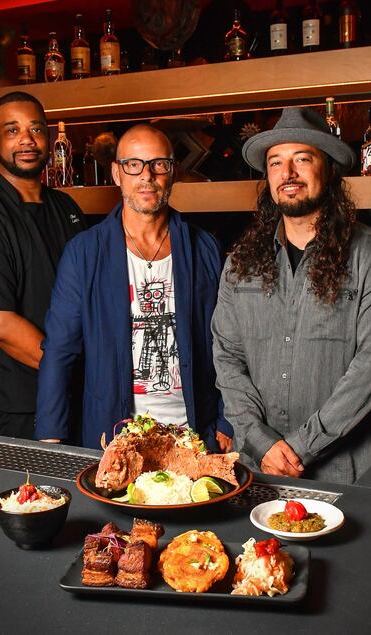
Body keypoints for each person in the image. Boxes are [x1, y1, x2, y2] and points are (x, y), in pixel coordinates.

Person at [211, 107, 371, 484]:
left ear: (330, 169)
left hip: (344, 476)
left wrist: (300, 447)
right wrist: (261, 441)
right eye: (275, 163)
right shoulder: (241, 262)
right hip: (256, 474)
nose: (287, 174)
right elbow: (227, 358)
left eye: (302, 159)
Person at [35, 124, 233, 452]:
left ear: (174, 171)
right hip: (115, 441)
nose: (147, 175)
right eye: (134, 165)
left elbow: (229, 343)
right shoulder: (84, 252)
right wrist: (49, 442)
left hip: (195, 438)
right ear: (116, 173)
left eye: (159, 164)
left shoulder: (204, 247)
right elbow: (59, 352)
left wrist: (226, 422)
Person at [0, 91, 87, 439]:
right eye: (12, 130)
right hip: (16, 405)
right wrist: (73, 368)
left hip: (74, 391)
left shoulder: (65, 207)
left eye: (35, 129)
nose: (26, 140)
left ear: (48, 137)